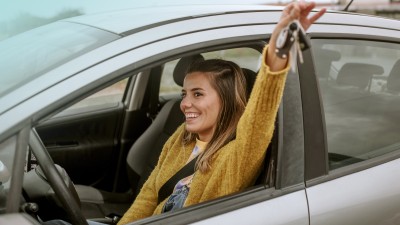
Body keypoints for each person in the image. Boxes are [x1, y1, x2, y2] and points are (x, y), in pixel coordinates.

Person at [42, 1, 325, 225]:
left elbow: (259, 119)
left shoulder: (236, 157)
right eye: (184, 94)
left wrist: (277, 53)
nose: (184, 104)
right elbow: (148, 196)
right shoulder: (182, 137)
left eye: (198, 94)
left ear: (226, 101)